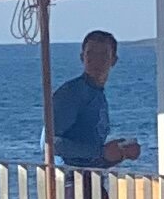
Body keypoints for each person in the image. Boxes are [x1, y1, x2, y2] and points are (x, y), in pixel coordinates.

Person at [50, 28, 142, 173]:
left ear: (113, 60)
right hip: (68, 179)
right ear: (82, 57)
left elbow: (91, 152)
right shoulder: (71, 93)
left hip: (91, 179)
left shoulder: (97, 94)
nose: (96, 61)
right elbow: (50, 143)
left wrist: (121, 153)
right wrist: (101, 152)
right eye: (91, 54)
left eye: (103, 55)